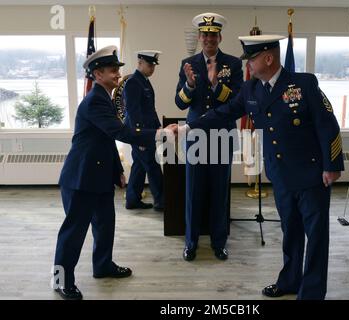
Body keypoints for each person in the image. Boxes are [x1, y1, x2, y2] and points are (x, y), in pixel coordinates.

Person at [181, 35, 344, 300]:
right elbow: (222, 113)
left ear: (268, 58)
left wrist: (332, 165)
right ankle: (290, 281)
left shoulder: (303, 84)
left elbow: (328, 125)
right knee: (290, 232)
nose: (249, 65)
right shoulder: (251, 90)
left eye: (252, 59)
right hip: (280, 176)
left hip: (311, 175)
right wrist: (188, 127)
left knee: (315, 238)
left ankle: (312, 293)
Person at [53, 45, 176, 300]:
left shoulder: (104, 99)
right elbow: (120, 133)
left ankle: (103, 266)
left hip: (98, 177)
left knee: (105, 224)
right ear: (97, 75)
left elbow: (107, 139)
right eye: (112, 70)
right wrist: (160, 133)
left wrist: (118, 170)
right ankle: (61, 281)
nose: (117, 75)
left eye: (117, 70)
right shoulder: (95, 101)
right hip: (80, 179)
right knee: (73, 232)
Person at [175, 12, 243, 261]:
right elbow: (180, 103)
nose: (208, 39)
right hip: (196, 137)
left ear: (219, 37)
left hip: (222, 135)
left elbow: (236, 101)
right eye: (205, 35)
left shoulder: (233, 64)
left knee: (219, 192)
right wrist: (190, 85)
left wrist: (216, 85)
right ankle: (190, 242)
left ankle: (219, 242)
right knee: (193, 192)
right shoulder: (188, 62)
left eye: (213, 35)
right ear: (200, 37)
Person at [124, 50, 164, 211]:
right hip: (140, 134)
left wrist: (158, 126)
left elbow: (149, 109)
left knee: (139, 167)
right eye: (149, 65)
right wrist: (139, 137)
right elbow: (133, 112)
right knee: (152, 166)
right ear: (139, 63)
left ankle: (132, 200)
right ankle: (162, 201)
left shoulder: (144, 81)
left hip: (148, 131)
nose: (152, 68)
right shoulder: (134, 82)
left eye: (153, 65)